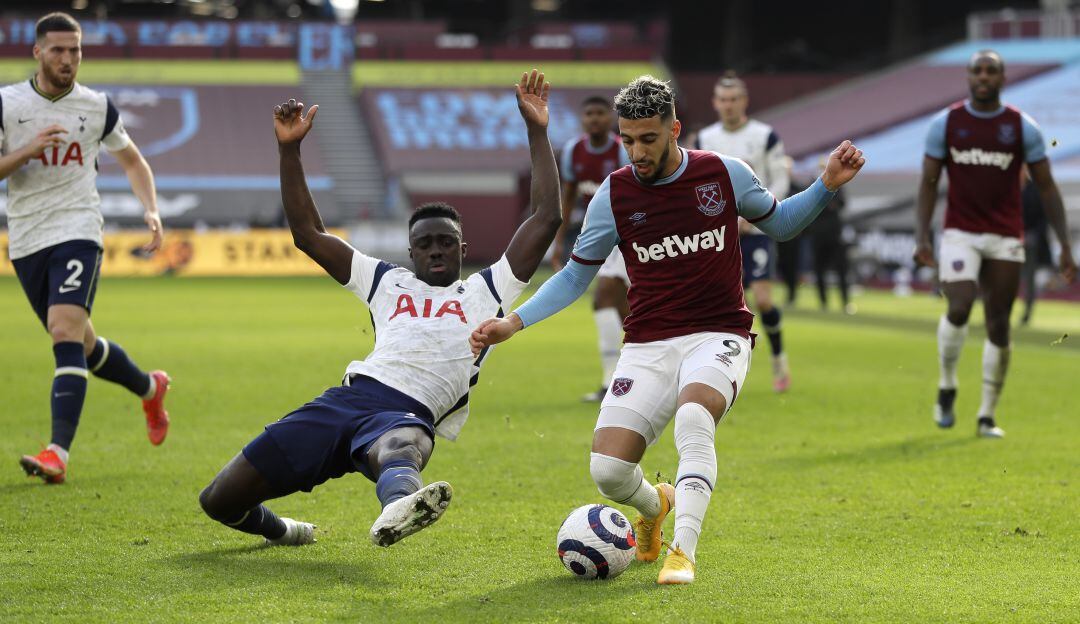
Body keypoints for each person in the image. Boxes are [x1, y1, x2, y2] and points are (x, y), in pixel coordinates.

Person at [471, 76, 864, 584]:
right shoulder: (613, 195)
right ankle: (656, 505)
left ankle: (684, 551)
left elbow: (782, 224)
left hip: (718, 333)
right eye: (627, 139)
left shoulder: (723, 173)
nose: (635, 151)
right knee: (608, 472)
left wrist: (826, 184)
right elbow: (574, 276)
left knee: (694, 418)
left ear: (674, 129)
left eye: (648, 139)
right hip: (649, 342)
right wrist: (512, 322)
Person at [197, 70, 560, 548]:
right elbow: (309, 235)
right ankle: (286, 531)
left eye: (445, 243)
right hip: (348, 400)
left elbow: (546, 217)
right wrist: (289, 151)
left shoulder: (487, 290)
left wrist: (537, 129)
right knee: (220, 500)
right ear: (410, 254)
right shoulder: (386, 281)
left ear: (461, 248)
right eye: (424, 244)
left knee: (399, 449)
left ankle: (398, 507)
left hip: (410, 412)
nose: (435, 251)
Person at [2, 12, 170, 485]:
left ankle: (57, 453)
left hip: (78, 231)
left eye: (75, 50)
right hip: (28, 239)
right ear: (37, 52)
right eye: (57, 49)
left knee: (63, 332)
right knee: (83, 344)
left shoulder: (96, 107)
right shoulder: (7, 103)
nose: (68, 59)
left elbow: (133, 160)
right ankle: (148, 387)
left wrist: (151, 210)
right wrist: (26, 152)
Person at [915, 50, 1076, 439]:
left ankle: (987, 415)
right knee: (960, 304)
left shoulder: (1022, 128)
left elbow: (1048, 187)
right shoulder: (947, 124)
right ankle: (947, 385)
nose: (983, 76)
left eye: (991, 71)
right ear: (968, 78)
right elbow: (930, 182)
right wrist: (922, 235)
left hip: (1006, 235)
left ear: (1002, 78)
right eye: (977, 71)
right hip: (960, 233)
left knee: (999, 323)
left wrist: (1065, 245)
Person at [695, 71, 792, 392]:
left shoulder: (765, 136)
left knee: (763, 299)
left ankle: (779, 361)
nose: (728, 105)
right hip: (718, 236)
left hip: (755, 231)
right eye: (723, 100)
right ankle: (715, 369)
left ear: (744, 101)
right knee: (720, 303)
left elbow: (780, 179)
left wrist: (760, 213)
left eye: (734, 99)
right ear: (715, 103)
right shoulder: (704, 139)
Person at [553, 95, 632, 401]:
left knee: (604, 299)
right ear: (583, 119)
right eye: (589, 114)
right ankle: (620, 377)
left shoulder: (622, 149)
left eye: (600, 113)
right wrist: (559, 242)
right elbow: (569, 196)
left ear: (609, 118)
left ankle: (614, 380)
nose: (595, 119)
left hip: (627, 234)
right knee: (616, 305)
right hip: (601, 236)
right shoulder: (574, 151)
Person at [1019, 169, 1051, 325]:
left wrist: (1031, 236)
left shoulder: (1035, 191)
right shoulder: (1009, 189)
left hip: (1030, 241)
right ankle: (1000, 310)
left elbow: (1043, 218)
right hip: (1010, 240)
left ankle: (1027, 312)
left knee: (1029, 278)